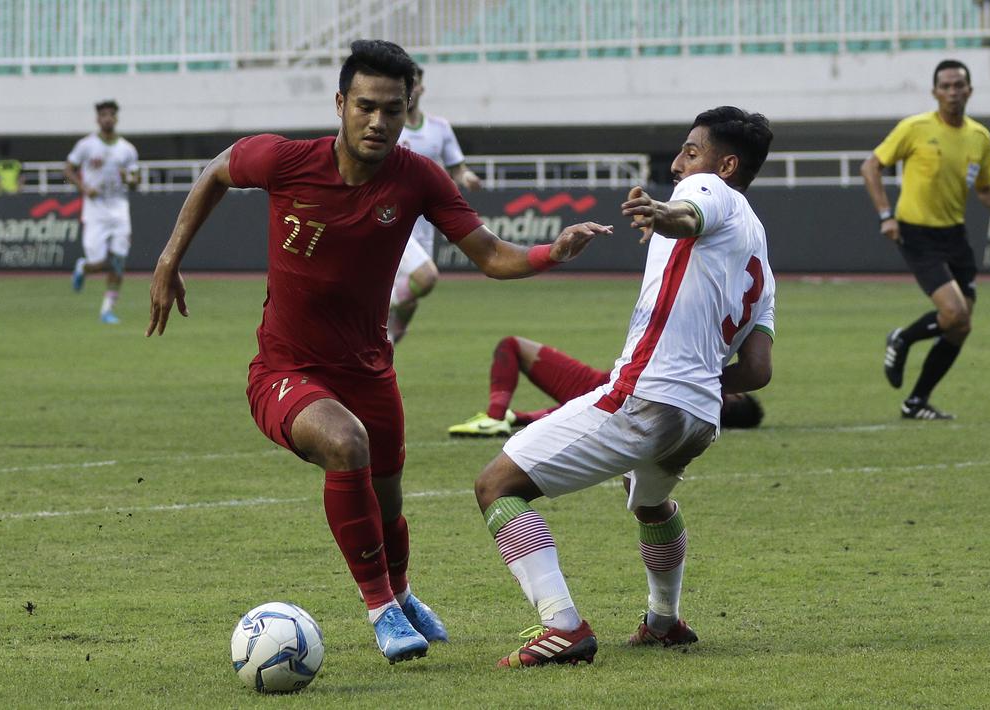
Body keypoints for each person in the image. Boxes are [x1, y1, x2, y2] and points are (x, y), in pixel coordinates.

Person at [145, 40, 610, 665]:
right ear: (340, 104)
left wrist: (549, 253)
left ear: (407, 109)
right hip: (285, 371)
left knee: (389, 503)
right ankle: (380, 609)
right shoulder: (284, 160)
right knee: (346, 443)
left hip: (370, 370)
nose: (378, 121)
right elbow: (219, 169)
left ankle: (403, 592)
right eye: (365, 106)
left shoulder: (417, 176)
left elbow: (491, 254)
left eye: (393, 109)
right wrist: (170, 257)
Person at [473, 106, 776, 668]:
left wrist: (661, 211)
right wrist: (699, 379)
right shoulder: (758, 248)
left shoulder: (709, 192)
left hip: (647, 395)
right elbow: (757, 369)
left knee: (497, 485)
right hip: (700, 414)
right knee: (652, 502)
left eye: (691, 150)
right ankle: (663, 621)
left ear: (726, 165)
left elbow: (687, 214)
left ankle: (562, 626)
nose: (681, 162)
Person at [860, 59, 990, 420]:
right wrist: (886, 215)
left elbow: (986, 189)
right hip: (916, 232)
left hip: (954, 234)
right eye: (945, 86)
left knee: (961, 326)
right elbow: (871, 166)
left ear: (969, 90)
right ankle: (903, 338)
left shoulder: (979, 136)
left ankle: (915, 402)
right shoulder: (915, 128)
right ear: (935, 92)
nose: (952, 92)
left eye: (958, 85)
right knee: (954, 312)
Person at [447, 336, 764, 436]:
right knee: (512, 346)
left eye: (735, 397)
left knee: (512, 345)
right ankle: (499, 418)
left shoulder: (692, 402)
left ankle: (495, 417)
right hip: (603, 385)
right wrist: (519, 417)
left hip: (610, 394)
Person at [387, 64, 484, 343]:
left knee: (407, 306)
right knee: (425, 277)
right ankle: (371, 311)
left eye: (414, 84)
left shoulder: (439, 128)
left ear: (421, 88)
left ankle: (382, 359)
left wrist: (467, 177)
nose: (411, 89)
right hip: (392, 218)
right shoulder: (388, 125)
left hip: (424, 223)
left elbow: (457, 167)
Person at [65, 99, 139, 325]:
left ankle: (107, 310)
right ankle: (83, 267)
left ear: (116, 118)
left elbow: (136, 181)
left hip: (118, 209)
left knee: (118, 261)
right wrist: (84, 188)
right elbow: (68, 168)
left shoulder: (127, 149)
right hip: (95, 210)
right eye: (103, 115)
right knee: (97, 260)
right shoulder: (86, 145)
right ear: (97, 119)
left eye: (111, 115)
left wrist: (130, 179)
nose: (107, 118)